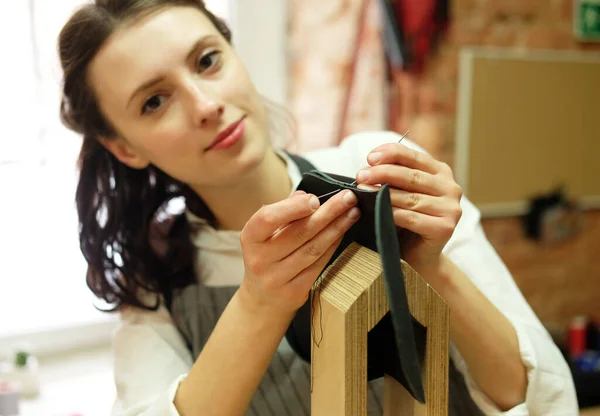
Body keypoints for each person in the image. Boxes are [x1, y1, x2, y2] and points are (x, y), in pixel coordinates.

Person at [57, 1, 577, 415]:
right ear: (125, 147)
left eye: (207, 61)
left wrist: (430, 266)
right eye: (154, 101)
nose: (205, 104)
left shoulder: (376, 170)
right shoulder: (153, 278)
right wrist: (261, 302)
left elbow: (547, 402)